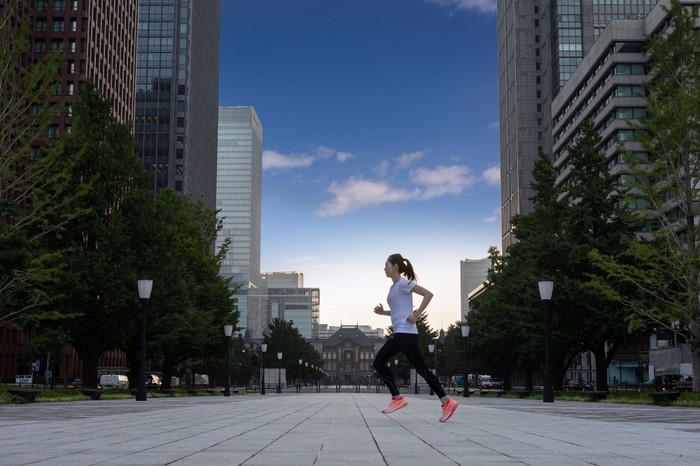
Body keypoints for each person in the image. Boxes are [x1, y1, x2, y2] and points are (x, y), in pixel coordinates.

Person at [372, 253, 459, 422]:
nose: (384, 268)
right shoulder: (394, 287)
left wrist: (417, 315)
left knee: (379, 362)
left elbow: (428, 294)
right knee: (423, 370)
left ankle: (397, 399)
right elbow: (399, 310)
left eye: (386, 265)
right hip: (406, 333)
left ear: (395, 266)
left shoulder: (404, 283)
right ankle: (447, 402)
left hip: (405, 332)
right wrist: (384, 313)